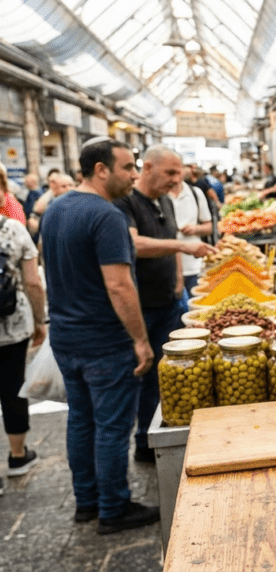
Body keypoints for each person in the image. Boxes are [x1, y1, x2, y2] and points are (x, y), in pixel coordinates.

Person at [40, 136, 160, 534]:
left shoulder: (55, 209)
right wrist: (140, 340)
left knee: (81, 420)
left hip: (67, 337)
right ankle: (113, 507)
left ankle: (86, 501)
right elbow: (119, 286)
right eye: (127, 167)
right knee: (111, 427)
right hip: (105, 342)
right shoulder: (106, 216)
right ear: (101, 169)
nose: (133, 174)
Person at [114, 146, 216, 464]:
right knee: (142, 378)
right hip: (141, 306)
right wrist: (185, 246)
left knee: (165, 374)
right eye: (170, 173)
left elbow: (169, 242)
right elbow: (133, 244)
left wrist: (176, 284)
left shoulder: (165, 202)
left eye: (179, 173)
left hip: (170, 301)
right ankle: (144, 443)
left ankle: (163, 433)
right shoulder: (125, 202)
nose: (176, 181)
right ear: (146, 168)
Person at [0, 169, 46, 497]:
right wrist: (41, 322)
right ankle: (18, 457)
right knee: (13, 387)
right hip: (12, 327)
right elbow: (33, 282)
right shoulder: (13, 229)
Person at [168, 176, 214, 314]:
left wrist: (195, 229)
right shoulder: (159, 196)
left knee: (196, 312)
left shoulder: (195, 193)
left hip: (194, 265)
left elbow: (209, 226)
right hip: (169, 269)